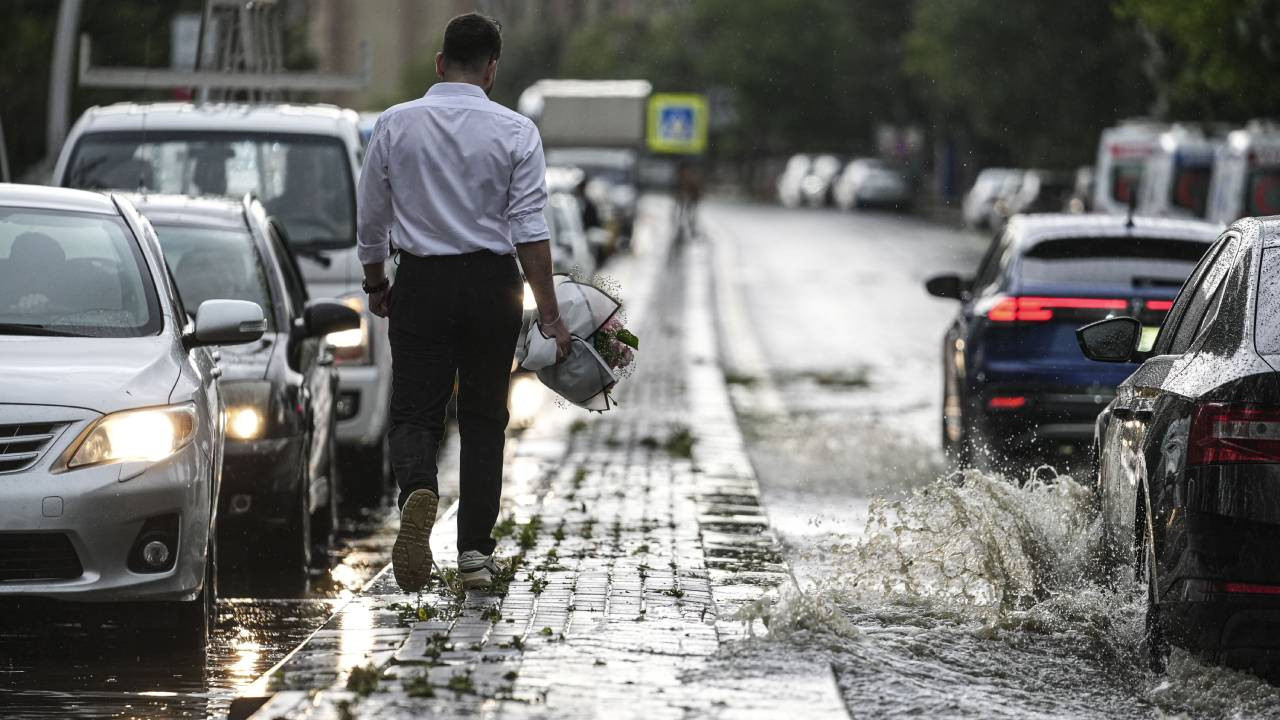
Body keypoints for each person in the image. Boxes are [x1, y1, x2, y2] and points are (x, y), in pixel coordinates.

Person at [356, 12, 571, 593]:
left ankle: (419, 491)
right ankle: (474, 554)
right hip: (490, 287)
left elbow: (371, 221)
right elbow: (530, 231)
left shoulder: (395, 125)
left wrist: (378, 284)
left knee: (414, 412)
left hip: (421, 283)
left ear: (439, 62)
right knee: (483, 419)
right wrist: (550, 313)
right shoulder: (517, 132)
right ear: (493, 68)